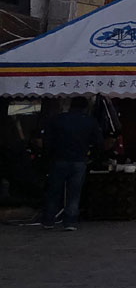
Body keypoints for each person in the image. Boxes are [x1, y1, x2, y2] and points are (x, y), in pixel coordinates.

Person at [36, 97, 108, 230]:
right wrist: (92, 156)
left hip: (59, 159)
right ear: (86, 107)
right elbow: (99, 143)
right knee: (74, 192)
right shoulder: (90, 121)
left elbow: (47, 141)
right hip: (79, 160)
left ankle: (49, 219)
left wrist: (49, 155)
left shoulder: (58, 119)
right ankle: (70, 221)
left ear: (70, 105)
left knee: (54, 191)